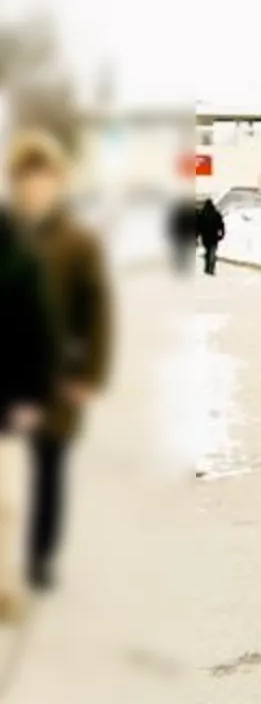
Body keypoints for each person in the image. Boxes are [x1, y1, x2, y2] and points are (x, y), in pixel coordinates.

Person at [5, 130, 113, 592]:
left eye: (44, 178)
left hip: (58, 376)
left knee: (48, 469)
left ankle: (40, 558)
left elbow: (97, 312)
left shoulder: (77, 242)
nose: (35, 188)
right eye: (26, 179)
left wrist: (88, 375)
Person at [0, 200, 56, 621]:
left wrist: (33, 397)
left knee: (7, 503)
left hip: (10, 402)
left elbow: (38, 334)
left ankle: (7, 587)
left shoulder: (20, 263)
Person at [196, 198, 225, 275]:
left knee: (208, 251)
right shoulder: (216, 214)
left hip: (205, 237)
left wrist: (197, 236)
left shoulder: (202, 214)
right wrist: (222, 233)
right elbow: (221, 225)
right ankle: (211, 267)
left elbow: (198, 226)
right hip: (214, 236)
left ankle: (207, 266)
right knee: (212, 251)